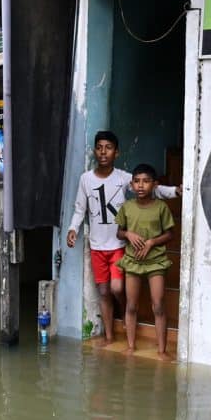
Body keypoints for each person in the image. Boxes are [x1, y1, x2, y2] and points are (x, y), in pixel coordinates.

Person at [66, 131, 179, 344]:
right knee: (103, 290)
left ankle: (126, 309)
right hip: (97, 245)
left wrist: (175, 191)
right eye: (99, 147)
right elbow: (80, 208)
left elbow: (153, 189)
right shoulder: (85, 179)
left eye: (108, 148)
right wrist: (73, 229)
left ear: (116, 152)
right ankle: (109, 335)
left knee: (117, 288)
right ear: (94, 151)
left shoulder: (124, 178)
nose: (103, 152)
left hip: (118, 244)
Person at [115, 163, 175, 358]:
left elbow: (170, 234)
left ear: (155, 185)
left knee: (158, 305)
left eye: (146, 181)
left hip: (156, 262)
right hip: (132, 261)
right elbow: (119, 232)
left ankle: (161, 350)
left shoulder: (161, 207)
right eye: (137, 181)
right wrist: (128, 234)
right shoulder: (127, 207)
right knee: (131, 305)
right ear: (131, 185)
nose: (141, 186)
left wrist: (151, 242)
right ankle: (131, 346)